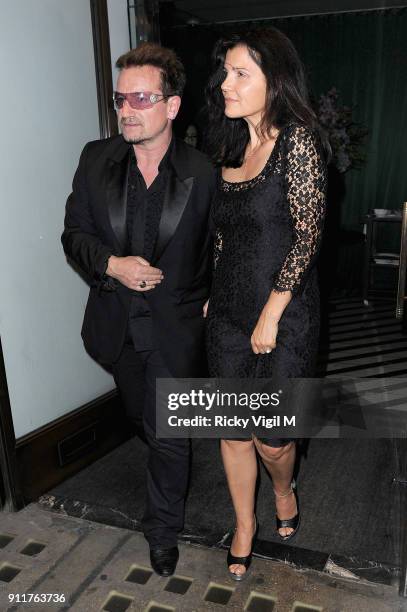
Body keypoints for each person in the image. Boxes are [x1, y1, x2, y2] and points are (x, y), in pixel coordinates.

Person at [62, 42, 216, 577]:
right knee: (144, 419)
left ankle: (162, 532)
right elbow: (74, 234)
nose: (126, 109)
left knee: (170, 436)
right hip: (117, 325)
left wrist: (212, 299)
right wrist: (111, 264)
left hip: (175, 329)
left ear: (171, 106)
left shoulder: (203, 172)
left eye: (142, 98)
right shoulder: (94, 158)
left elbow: (221, 248)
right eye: (120, 98)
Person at [204, 28, 328, 580]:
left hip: (284, 313)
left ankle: (283, 486)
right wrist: (213, 296)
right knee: (233, 429)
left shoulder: (297, 141)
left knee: (272, 438)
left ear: (272, 81)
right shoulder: (230, 145)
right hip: (228, 313)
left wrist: (273, 311)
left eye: (239, 74)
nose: (225, 84)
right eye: (226, 73)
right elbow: (225, 237)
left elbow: (308, 234)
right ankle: (245, 525)